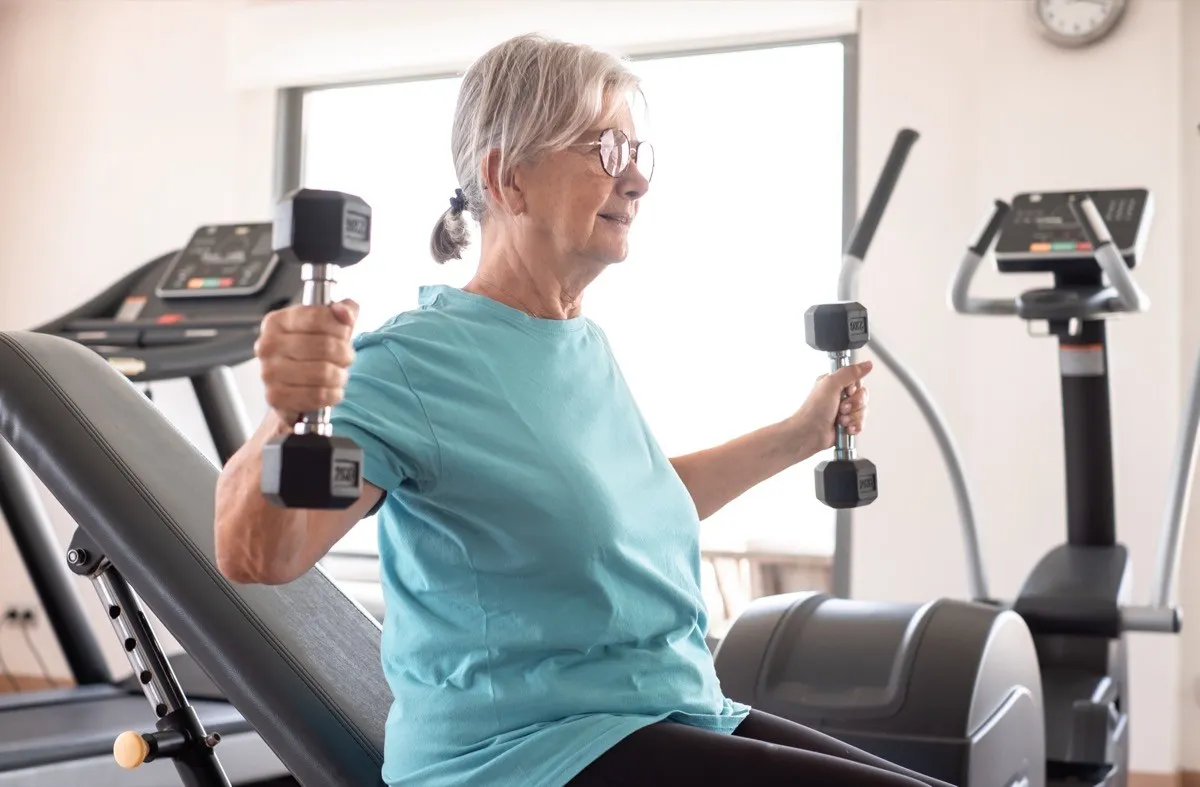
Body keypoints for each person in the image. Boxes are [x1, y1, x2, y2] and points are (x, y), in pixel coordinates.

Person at [214, 32, 950, 787]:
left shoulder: (577, 340)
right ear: (508, 178)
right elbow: (258, 555)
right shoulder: (410, 362)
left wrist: (799, 435)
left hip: (669, 711)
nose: (635, 180)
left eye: (638, 152)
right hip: (525, 757)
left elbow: (632, 509)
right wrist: (290, 407)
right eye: (604, 149)